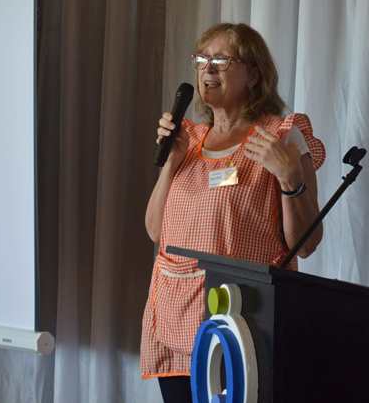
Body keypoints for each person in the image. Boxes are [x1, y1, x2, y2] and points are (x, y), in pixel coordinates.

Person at [140, 23, 326, 402]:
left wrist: (290, 176)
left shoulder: (281, 136)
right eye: (202, 59)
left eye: (222, 59)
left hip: (243, 323)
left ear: (254, 73)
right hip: (175, 318)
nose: (208, 68)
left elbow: (306, 245)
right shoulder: (188, 139)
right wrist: (172, 164)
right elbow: (156, 231)